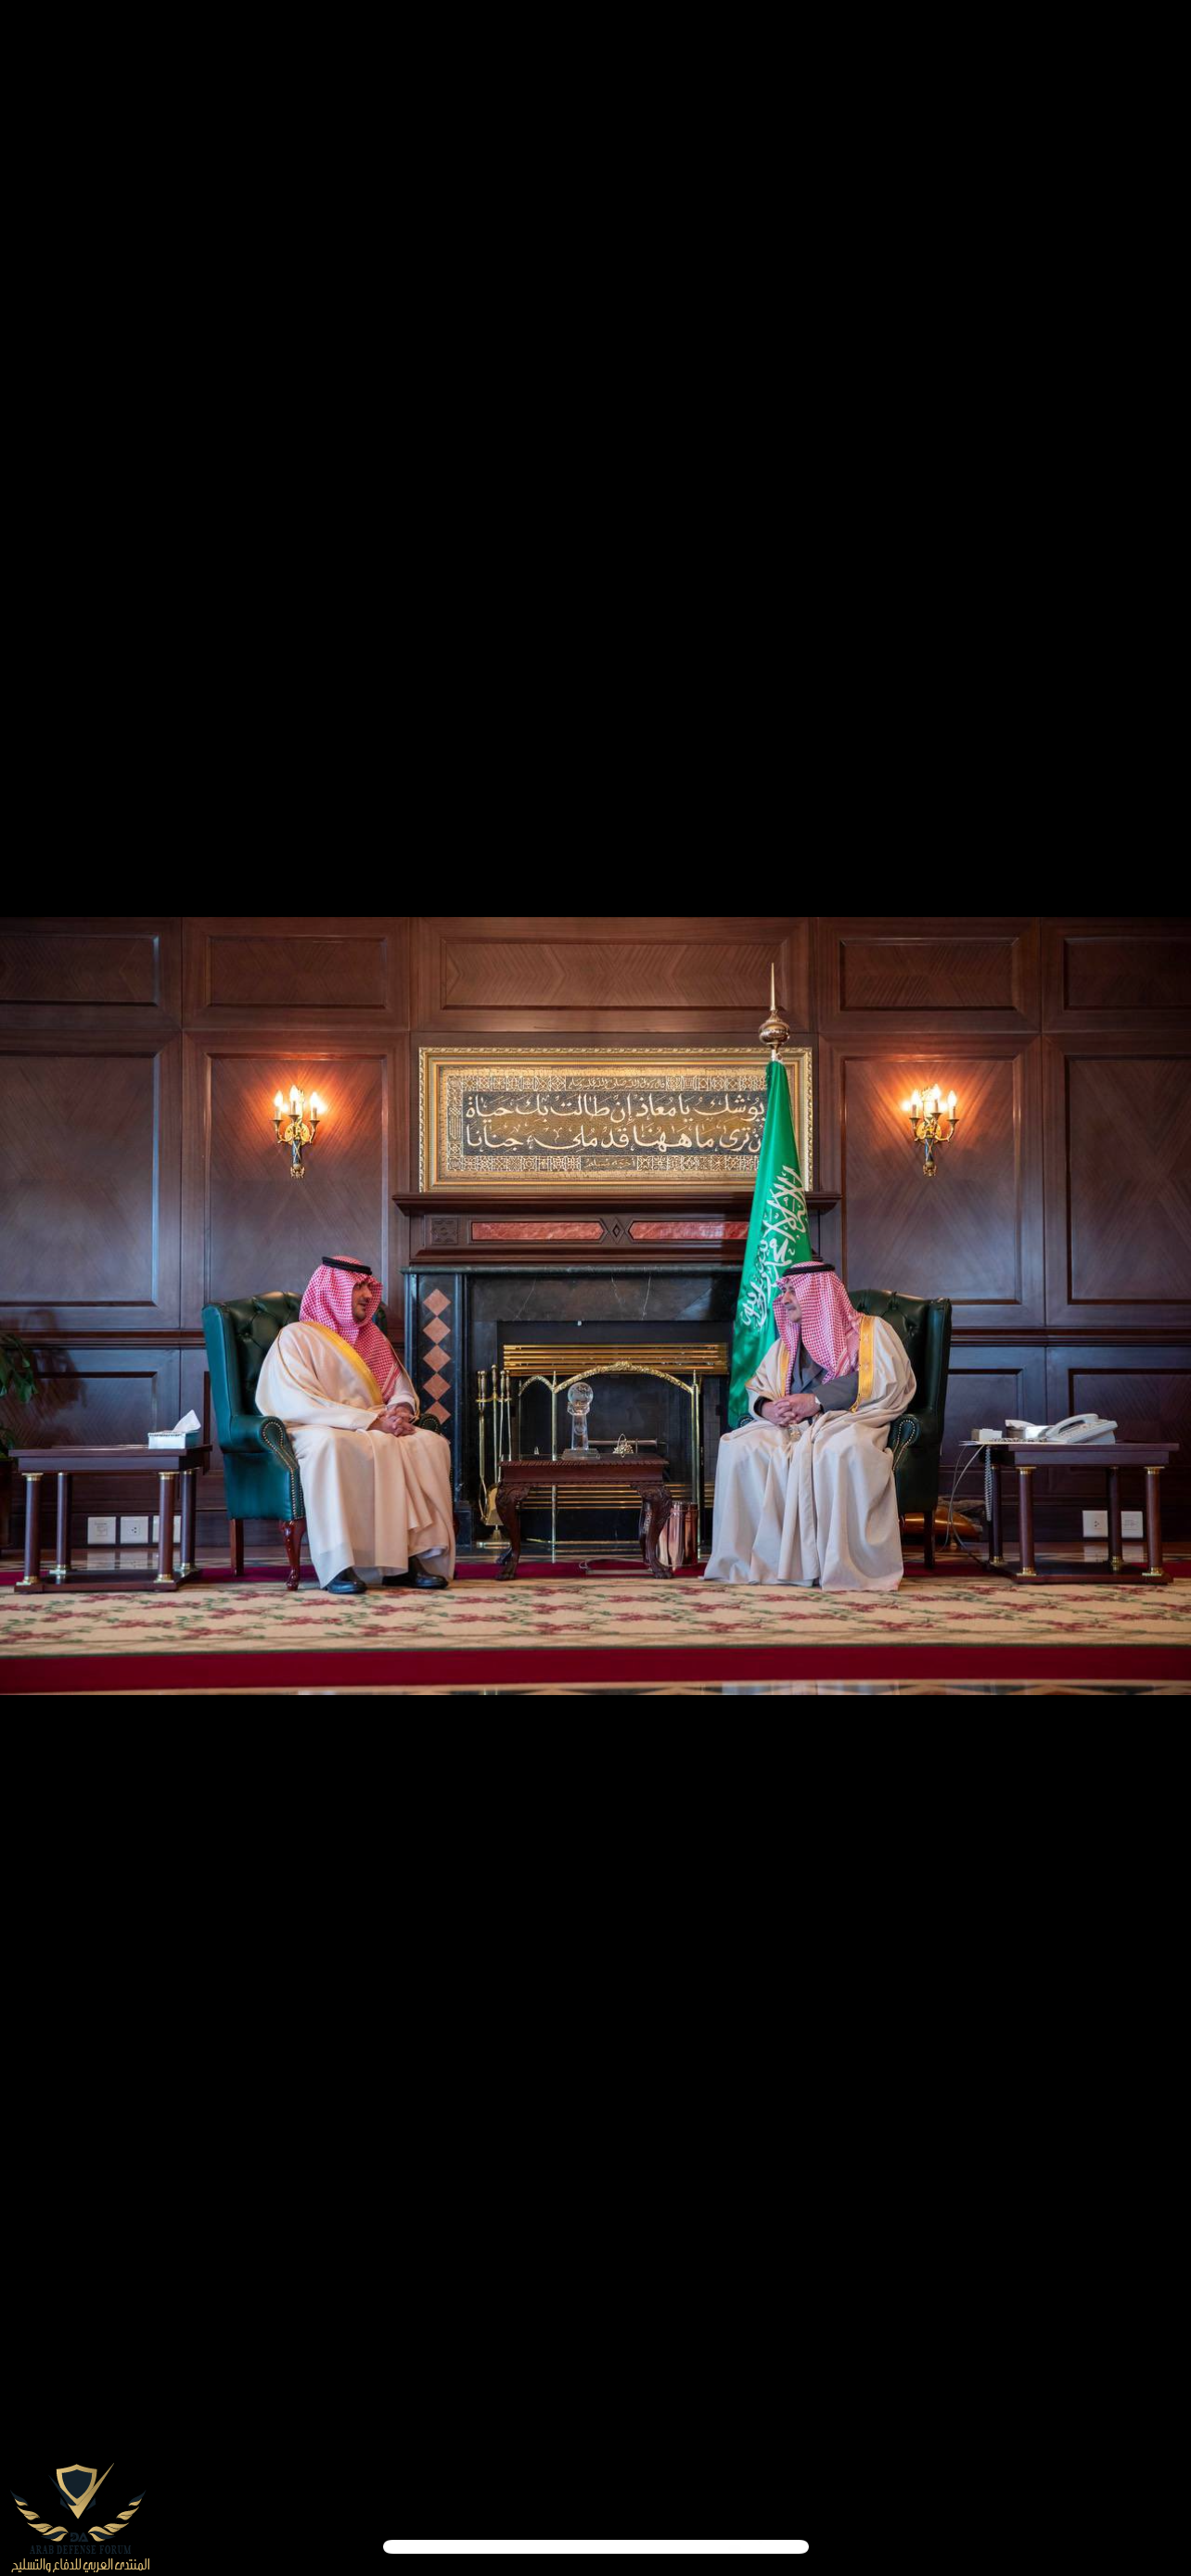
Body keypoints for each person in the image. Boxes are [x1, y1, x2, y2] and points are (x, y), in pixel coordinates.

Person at [704, 1259, 916, 1589]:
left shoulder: (871, 1331)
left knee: (838, 1452)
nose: (785, 1299)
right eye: (785, 1291)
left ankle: (834, 1565)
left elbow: (882, 1379)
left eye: (793, 1291)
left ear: (818, 1294)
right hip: (792, 1428)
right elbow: (760, 1386)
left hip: (847, 1421)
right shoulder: (787, 1345)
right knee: (740, 1447)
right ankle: (760, 1563)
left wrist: (816, 1400)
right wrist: (769, 1408)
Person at [253, 1255, 455, 1594]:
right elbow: (297, 1401)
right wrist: (370, 1421)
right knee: (334, 1445)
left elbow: (398, 1389)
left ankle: (408, 1560)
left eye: (367, 1286)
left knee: (427, 1443)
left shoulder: (372, 1338)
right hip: (317, 1427)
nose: (367, 1294)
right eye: (357, 1286)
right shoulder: (296, 1338)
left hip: (376, 1425)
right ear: (331, 1291)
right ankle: (338, 1565)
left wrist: (400, 1411)